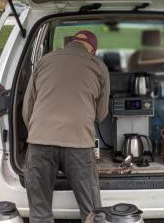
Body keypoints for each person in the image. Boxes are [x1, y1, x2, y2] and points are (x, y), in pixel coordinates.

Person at [22, 30, 110, 223]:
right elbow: (101, 114)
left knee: (40, 211)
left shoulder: (44, 61)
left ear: (71, 42)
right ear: (93, 50)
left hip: (40, 141)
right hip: (79, 143)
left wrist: (39, 133)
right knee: (91, 211)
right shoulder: (98, 66)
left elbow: (27, 107)